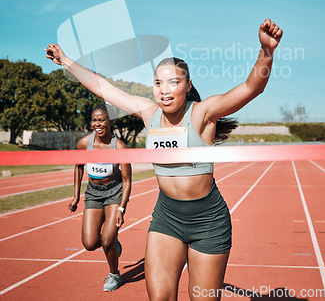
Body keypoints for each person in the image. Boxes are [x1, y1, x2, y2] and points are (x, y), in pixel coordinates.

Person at [45, 17, 283, 300]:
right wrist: (66, 60)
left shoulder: (202, 113)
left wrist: (266, 52)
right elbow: (103, 87)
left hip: (208, 221)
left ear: (187, 85)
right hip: (166, 218)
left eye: (173, 82)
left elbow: (250, 88)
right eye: (158, 83)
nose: (165, 89)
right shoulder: (149, 113)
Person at [68, 104, 131, 292]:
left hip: (115, 192)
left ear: (110, 121)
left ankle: (114, 274)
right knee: (89, 243)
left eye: (101, 120)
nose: (98, 124)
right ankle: (113, 242)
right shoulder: (83, 143)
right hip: (93, 193)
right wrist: (76, 197)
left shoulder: (119, 146)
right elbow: (79, 167)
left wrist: (121, 208)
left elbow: (127, 181)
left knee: (106, 241)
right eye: (94, 120)